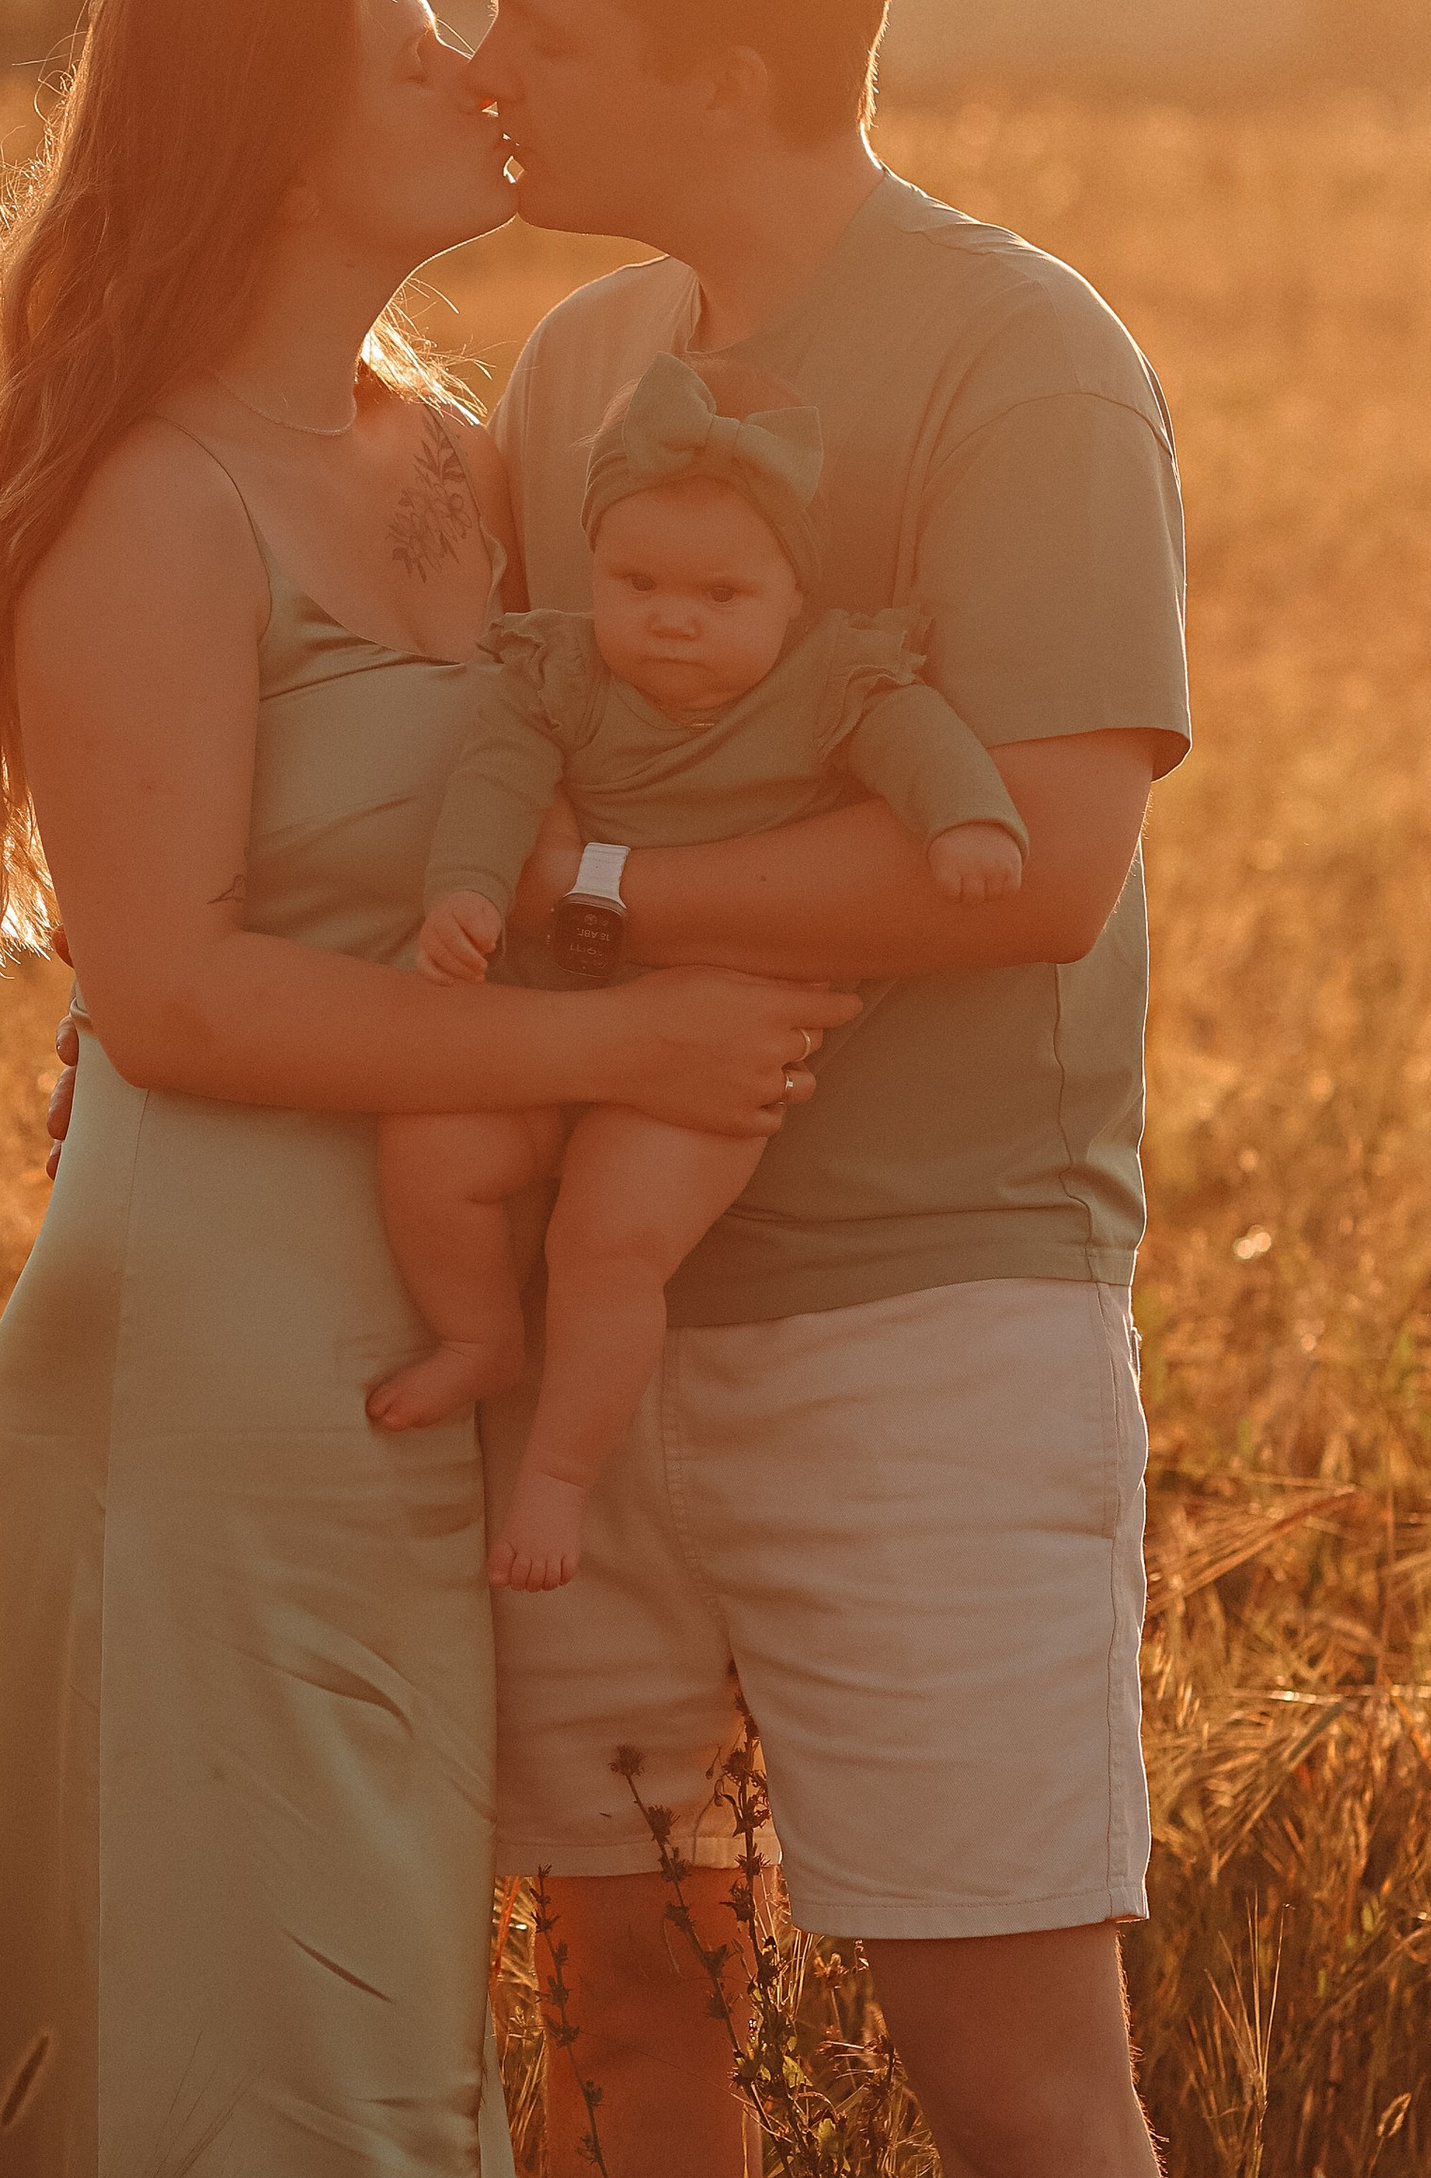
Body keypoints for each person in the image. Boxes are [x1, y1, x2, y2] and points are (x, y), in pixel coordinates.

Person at [0, 0, 854, 2178]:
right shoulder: (152, 501)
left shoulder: (457, 448)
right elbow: (170, 993)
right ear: (277, 134)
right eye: (419, 50)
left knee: (383, 1947)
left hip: (430, 1304)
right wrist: (617, 1053)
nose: (480, 79)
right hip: (210, 1321)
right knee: (249, 1957)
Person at [469, 0, 1191, 2178]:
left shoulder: (1017, 361)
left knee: (1013, 2080)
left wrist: (603, 903)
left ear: (730, 64)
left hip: (935, 1323)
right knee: (626, 2011)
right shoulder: (563, 375)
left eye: (546, 20)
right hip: (596, 1350)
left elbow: (1036, 863)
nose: (487, 64)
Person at [371, 347, 1027, 1597]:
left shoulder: (830, 679)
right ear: (594, 572)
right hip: (549, 1008)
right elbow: (496, 782)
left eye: (721, 593)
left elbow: (917, 739)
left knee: (606, 1243)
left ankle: (558, 1475)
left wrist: (968, 822)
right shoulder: (562, 672)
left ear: (793, 594)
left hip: (710, 1042)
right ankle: (477, 1334)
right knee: (432, 1145)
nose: (673, 618)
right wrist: (463, 892)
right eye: (639, 583)